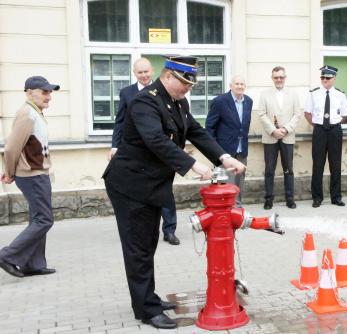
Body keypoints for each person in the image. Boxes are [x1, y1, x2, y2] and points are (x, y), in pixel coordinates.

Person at [103, 55, 246, 329]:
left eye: (190, 86)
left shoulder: (177, 101)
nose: (187, 90)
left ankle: (148, 298)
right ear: (168, 76)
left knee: (148, 244)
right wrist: (193, 166)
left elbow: (196, 131)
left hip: (152, 184)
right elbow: (156, 140)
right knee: (138, 248)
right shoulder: (144, 101)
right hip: (130, 185)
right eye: (184, 85)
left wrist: (224, 157)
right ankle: (146, 309)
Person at [108, 58, 181, 246]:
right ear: (135, 73)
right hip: (138, 153)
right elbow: (120, 122)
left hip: (161, 150)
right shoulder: (127, 93)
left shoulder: (165, 91)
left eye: (147, 71)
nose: (144, 75)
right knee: (146, 194)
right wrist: (115, 146)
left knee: (165, 192)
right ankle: (148, 228)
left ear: (152, 71)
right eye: (140, 72)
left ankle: (170, 229)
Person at [0, 76, 59, 278]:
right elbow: (10, 148)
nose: (48, 96)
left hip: (37, 173)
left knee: (37, 218)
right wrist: (9, 173)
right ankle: (7, 255)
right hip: (32, 175)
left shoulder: (35, 112)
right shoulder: (27, 114)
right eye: (44, 92)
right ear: (29, 92)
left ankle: (33, 264)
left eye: (49, 92)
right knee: (44, 220)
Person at [304, 65, 347, 208]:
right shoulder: (314, 94)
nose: (324, 80)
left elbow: (345, 115)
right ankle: (317, 197)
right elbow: (307, 113)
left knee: (335, 165)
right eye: (322, 77)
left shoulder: (340, 95)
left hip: (335, 131)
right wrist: (319, 125)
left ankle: (336, 197)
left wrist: (333, 124)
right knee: (318, 164)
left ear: (334, 79)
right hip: (319, 131)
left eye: (327, 78)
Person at [257, 66, 302, 209]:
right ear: (272, 78)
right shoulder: (264, 94)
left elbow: (297, 114)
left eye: (281, 77)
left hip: (287, 137)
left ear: (285, 77)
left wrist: (286, 129)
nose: (279, 80)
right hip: (270, 137)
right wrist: (273, 130)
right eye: (276, 77)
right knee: (269, 169)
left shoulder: (294, 94)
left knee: (288, 169)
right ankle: (269, 199)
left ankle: (290, 198)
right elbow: (261, 114)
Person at [205, 75, 253, 207]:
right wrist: (214, 150)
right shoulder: (220, 101)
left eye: (242, 84)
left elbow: (244, 126)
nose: (240, 86)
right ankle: (219, 207)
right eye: (237, 84)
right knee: (222, 181)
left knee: (239, 181)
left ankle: (236, 207)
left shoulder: (248, 101)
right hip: (223, 150)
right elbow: (209, 127)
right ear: (230, 86)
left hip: (241, 149)